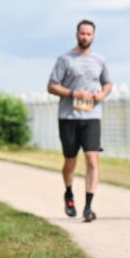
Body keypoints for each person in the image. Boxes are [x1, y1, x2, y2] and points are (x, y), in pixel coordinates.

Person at [47, 19, 113, 222]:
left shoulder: (99, 60)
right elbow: (51, 86)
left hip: (92, 117)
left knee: (92, 159)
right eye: (82, 33)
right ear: (77, 34)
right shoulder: (65, 59)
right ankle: (68, 192)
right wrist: (73, 93)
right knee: (70, 161)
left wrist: (102, 95)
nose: (85, 37)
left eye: (89, 34)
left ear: (94, 36)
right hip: (68, 117)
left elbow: (108, 83)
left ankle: (88, 206)